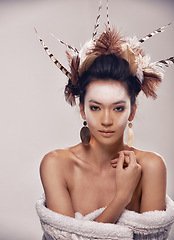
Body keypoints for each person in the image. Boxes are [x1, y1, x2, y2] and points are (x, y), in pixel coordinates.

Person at [35, 2, 174, 239]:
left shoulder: (151, 167)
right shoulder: (56, 164)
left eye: (118, 108)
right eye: (96, 107)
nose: (106, 120)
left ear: (131, 112)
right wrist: (123, 197)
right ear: (82, 110)